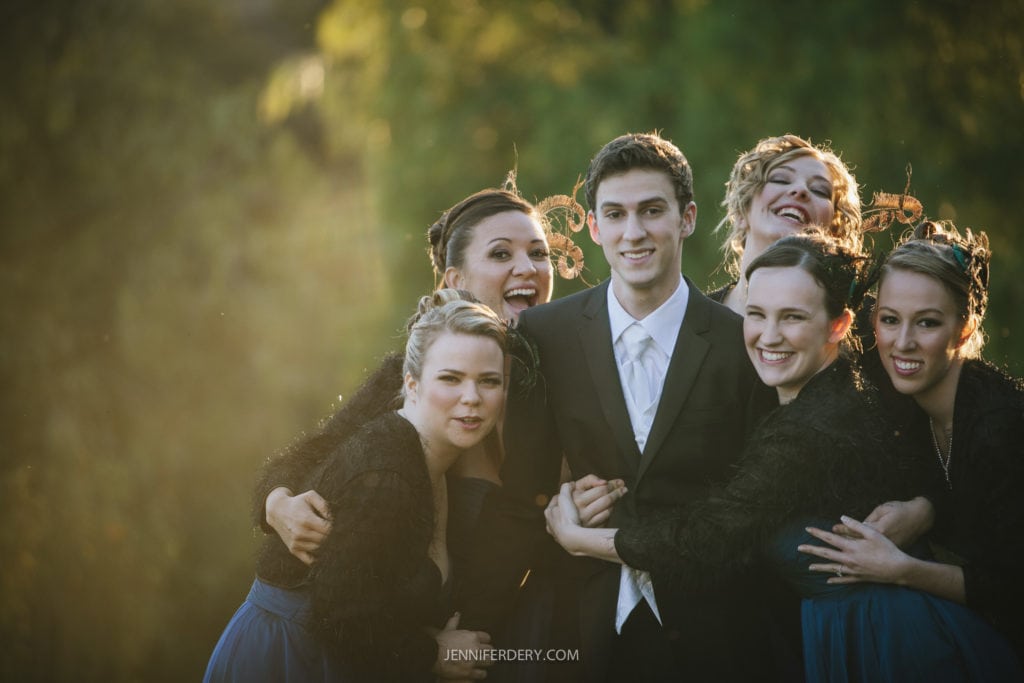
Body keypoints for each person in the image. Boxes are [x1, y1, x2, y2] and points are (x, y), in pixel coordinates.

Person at [546, 231, 1022, 681]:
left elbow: (709, 537)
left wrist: (578, 539)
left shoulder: (817, 425)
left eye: (792, 317)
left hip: (894, 641)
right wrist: (925, 505)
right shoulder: (853, 385)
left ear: (839, 324)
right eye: (756, 314)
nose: (768, 335)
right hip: (841, 633)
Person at [457, 132, 779, 683]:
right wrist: (464, 629)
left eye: (652, 211)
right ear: (594, 226)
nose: (634, 232)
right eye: (616, 214)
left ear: (688, 217)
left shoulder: (742, 344)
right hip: (579, 636)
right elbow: (520, 498)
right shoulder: (544, 334)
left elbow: (751, 513)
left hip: (715, 637)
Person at [256, 179, 588, 571]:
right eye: (501, 254)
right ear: (456, 280)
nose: (527, 268)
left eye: (539, 254)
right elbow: (314, 452)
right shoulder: (413, 375)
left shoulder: (566, 378)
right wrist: (276, 504)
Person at [204, 290, 506, 682]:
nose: (472, 398)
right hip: (293, 659)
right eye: (451, 379)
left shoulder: (432, 444)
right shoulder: (385, 477)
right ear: (411, 385)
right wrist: (430, 653)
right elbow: (340, 617)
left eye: (489, 382)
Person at [799, 221, 1024, 673]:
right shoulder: (893, 391)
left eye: (927, 323)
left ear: (965, 328)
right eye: (889, 320)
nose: (902, 343)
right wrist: (927, 507)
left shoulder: (1001, 428)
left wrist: (898, 567)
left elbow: (1011, 587)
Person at [710, 134, 862, 314]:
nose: (801, 190)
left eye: (819, 190)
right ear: (742, 213)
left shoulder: (871, 322)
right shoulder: (690, 319)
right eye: (780, 179)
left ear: (834, 231)